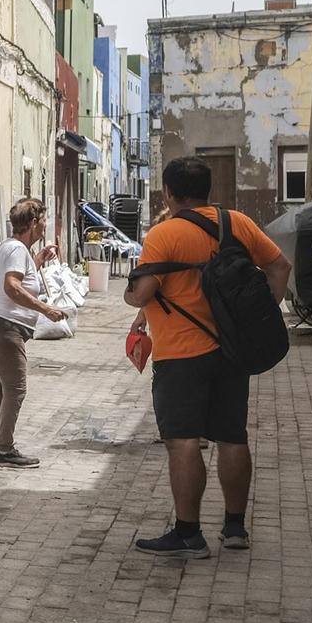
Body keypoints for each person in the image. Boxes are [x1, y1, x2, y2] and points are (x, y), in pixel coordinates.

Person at [123, 156, 292, 557]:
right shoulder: (238, 223)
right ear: (208, 190)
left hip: (180, 356)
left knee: (183, 441)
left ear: (168, 192)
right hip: (232, 351)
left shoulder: (164, 235)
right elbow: (280, 266)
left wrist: (131, 298)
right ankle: (235, 528)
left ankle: (188, 533)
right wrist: (261, 313)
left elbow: (143, 293)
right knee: (233, 436)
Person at [0, 197, 69, 466]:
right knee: (15, 389)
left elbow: (21, 279)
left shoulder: (10, 248)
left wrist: (37, 259)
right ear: (33, 222)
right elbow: (12, 287)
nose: (46, 225)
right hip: (4, 328)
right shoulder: (17, 250)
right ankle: (4, 449)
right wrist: (45, 309)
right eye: (43, 220)